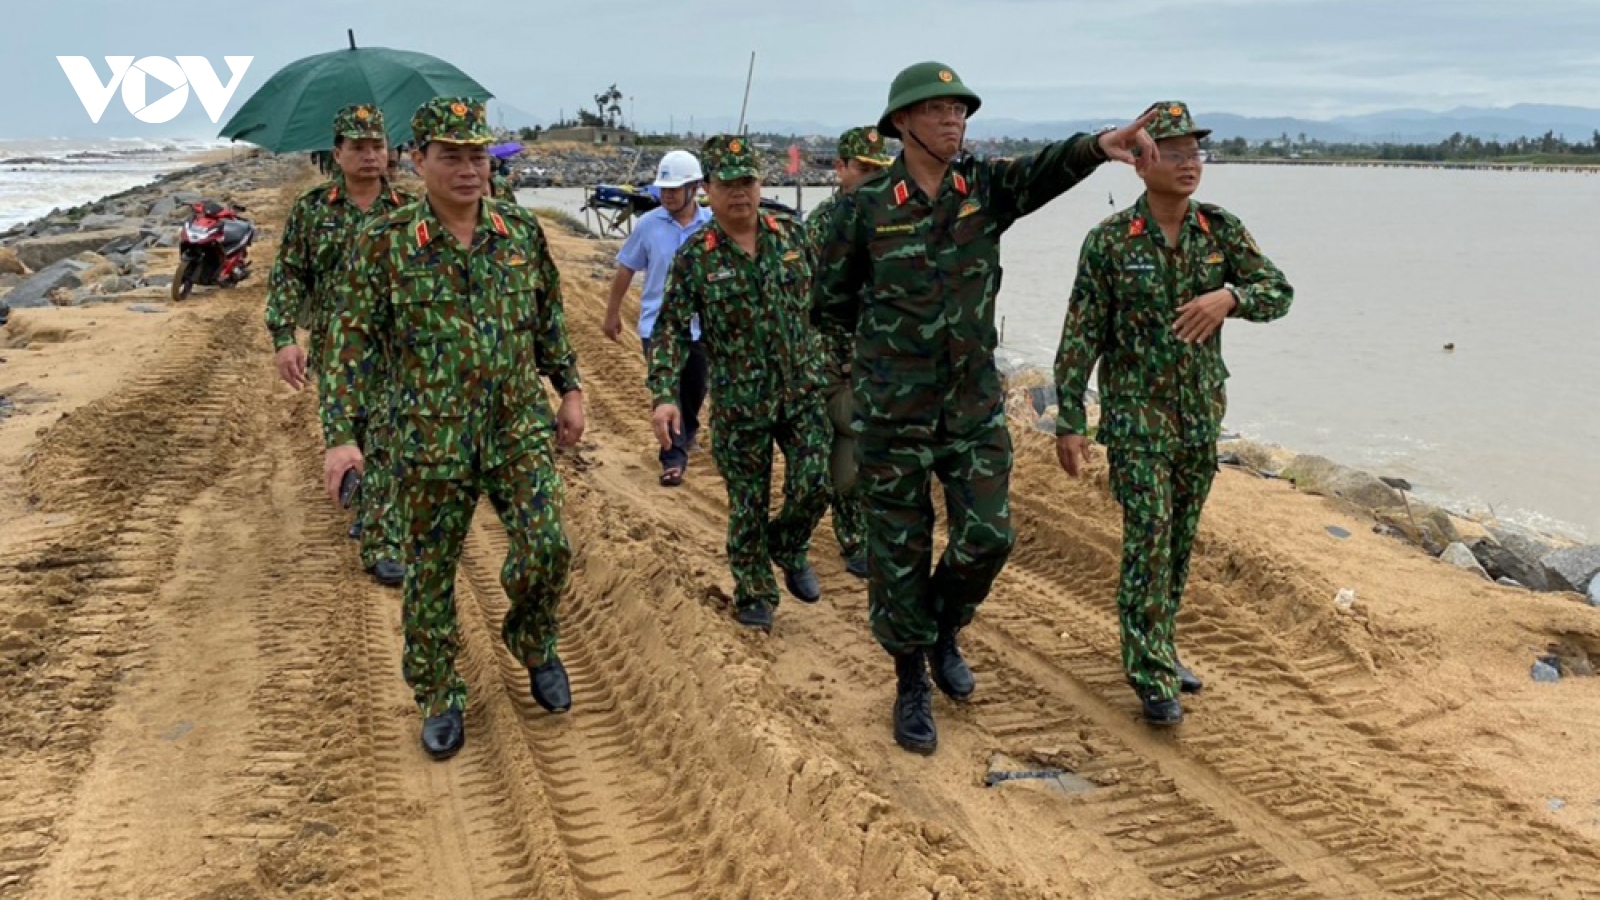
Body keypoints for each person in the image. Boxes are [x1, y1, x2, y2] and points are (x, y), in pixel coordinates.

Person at [813, 61, 1158, 755]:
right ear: (902, 123)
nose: (953, 121)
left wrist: (1098, 146)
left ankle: (942, 627)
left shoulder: (985, 190)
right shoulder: (863, 208)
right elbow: (830, 304)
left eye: (960, 111)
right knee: (899, 551)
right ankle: (910, 677)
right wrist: (877, 368)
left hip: (971, 406)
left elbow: (1043, 173)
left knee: (990, 536)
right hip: (894, 414)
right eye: (938, 111)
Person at [320, 97, 586, 760]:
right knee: (432, 573)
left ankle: (531, 640)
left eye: (477, 155)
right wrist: (341, 434)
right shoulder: (385, 244)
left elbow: (548, 318)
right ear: (418, 160)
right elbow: (349, 343)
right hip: (429, 435)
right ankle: (439, 694)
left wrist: (571, 388)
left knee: (547, 547)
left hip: (517, 427)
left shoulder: (520, 233)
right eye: (452, 156)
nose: (469, 169)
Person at [1054, 102, 1292, 726]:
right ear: (1139, 161)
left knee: (1180, 543)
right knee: (1150, 538)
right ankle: (1150, 670)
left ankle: (1160, 643)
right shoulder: (1108, 242)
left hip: (1199, 417)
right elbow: (1081, 334)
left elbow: (1279, 292)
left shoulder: (1220, 231)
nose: (1190, 163)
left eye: (1196, 152)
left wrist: (1229, 297)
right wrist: (1071, 420)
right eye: (1175, 151)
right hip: (1136, 421)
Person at [649, 135, 829, 633]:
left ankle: (790, 545)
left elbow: (828, 305)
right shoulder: (697, 257)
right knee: (748, 501)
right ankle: (754, 591)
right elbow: (668, 327)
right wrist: (665, 393)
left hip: (802, 393)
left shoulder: (793, 236)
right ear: (706, 189)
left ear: (760, 182)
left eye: (747, 181)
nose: (739, 193)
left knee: (818, 482)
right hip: (739, 402)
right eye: (726, 184)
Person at [265, 103, 415, 587]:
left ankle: (381, 534)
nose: (370, 156)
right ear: (337, 153)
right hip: (335, 350)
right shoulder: (312, 210)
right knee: (347, 434)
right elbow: (289, 275)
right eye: (359, 147)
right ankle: (371, 504)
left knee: (390, 436)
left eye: (378, 146)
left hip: (397, 349)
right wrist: (285, 337)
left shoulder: (411, 212)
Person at [805, 126, 894, 579]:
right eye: (863, 168)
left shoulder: (894, 222)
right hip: (825, 358)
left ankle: (858, 538)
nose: (872, 177)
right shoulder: (822, 225)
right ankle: (802, 538)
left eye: (881, 169)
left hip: (873, 358)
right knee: (822, 463)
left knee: (861, 458)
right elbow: (807, 298)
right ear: (841, 169)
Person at [604, 149, 712, 487]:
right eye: (663, 189)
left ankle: (688, 432)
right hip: (658, 326)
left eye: (675, 189)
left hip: (701, 327)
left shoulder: (713, 224)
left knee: (695, 388)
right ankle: (672, 456)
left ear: (694, 188)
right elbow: (626, 268)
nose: (667, 194)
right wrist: (612, 313)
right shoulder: (648, 225)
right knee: (667, 391)